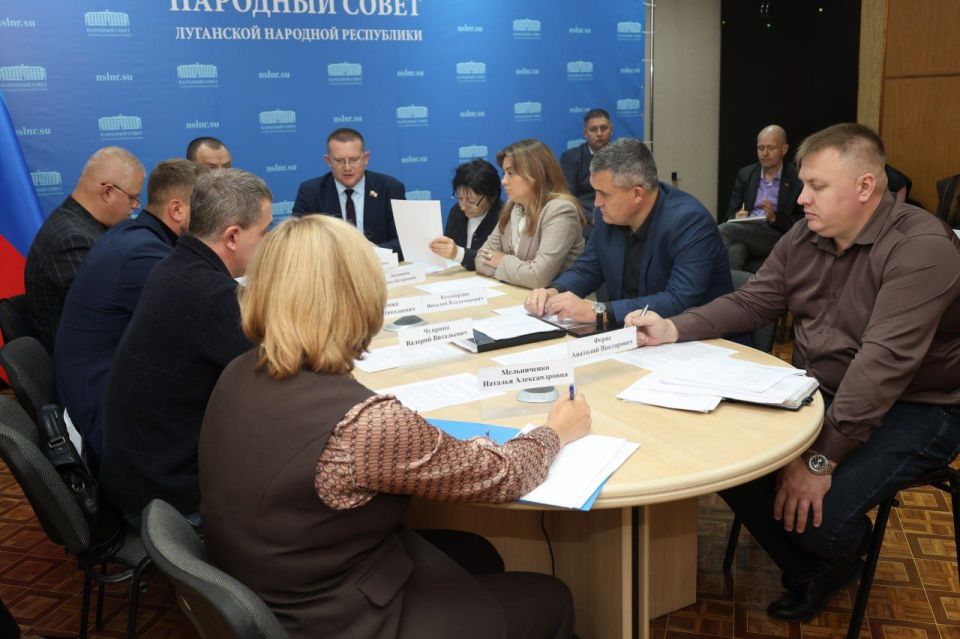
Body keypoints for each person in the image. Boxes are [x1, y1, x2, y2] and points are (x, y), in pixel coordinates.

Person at [624, 123, 960, 622]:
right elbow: (752, 301)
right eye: (803, 184)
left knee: (822, 520)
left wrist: (819, 461)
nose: (800, 199)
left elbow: (882, 366)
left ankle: (840, 549)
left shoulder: (922, 248)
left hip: (920, 404)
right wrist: (673, 327)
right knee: (726, 456)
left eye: (816, 186)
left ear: (865, 187)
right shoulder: (806, 235)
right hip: (826, 388)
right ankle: (811, 568)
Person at [200, 214, 588, 638]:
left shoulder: (238, 370)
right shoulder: (365, 424)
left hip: (278, 584)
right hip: (338, 618)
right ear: (358, 299)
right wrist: (556, 431)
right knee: (552, 597)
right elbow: (505, 475)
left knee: (477, 554)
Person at [100, 168, 273, 528]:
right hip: (169, 499)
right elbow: (278, 376)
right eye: (264, 232)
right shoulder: (211, 295)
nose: (268, 242)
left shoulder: (175, 266)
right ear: (232, 236)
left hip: (139, 475)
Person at [54, 159, 208, 467]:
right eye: (207, 210)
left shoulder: (135, 235)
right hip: (107, 423)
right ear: (177, 210)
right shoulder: (144, 255)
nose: (213, 220)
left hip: (98, 393)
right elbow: (201, 329)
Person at [524, 138, 732, 326]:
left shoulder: (690, 222)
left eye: (603, 194)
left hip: (698, 339)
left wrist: (598, 311)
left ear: (637, 194)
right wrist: (554, 291)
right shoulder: (608, 217)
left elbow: (678, 300)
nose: (596, 203)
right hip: (631, 334)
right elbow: (586, 270)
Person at [24, 146, 145, 351]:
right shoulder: (73, 241)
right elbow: (107, 315)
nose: (136, 206)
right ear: (107, 192)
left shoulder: (76, 224)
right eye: (133, 198)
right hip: (83, 361)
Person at [475, 139, 585, 289]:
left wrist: (501, 260)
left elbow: (537, 278)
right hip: (519, 295)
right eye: (504, 173)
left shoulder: (560, 210)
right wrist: (523, 272)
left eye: (510, 173)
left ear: (535, 173)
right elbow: (480, 260)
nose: (503, 181)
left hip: (558, 300)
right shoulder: (512, 207)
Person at [292, 127, 405, 253]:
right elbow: (298, 241)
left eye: (354, 160)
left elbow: (404, 240)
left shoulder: (390, 189)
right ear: (328, 160)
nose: (347, 167)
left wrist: (372, 252)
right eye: (339, 161)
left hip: (378, 262)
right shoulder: (311, 192)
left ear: (366, 158)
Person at [719, 125, 804, 271]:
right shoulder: (746, 175)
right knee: (735, 250)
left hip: (776, 235)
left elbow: (802, 223)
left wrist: (774, 218)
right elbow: (729, 214)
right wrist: (737, 217)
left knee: (724, 230)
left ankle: (704, 273)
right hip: (745, 231)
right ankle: (734, 286)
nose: (764, 153)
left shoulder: (797, 178)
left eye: (770, 148)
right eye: (760, 148)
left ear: (784, 149)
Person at [429, 159, 502, 271]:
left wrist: (458, 253)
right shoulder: (456, 211)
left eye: (471, 201)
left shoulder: (504, 217)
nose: (463, 207)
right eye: (459, 198)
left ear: (492, 196)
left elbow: (495, 259)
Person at [560, 108, 613, 216]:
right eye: (593, 129)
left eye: (604, 128)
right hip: (585, 216)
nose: (599, 134)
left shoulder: (623, 156)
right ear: (585, 133)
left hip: (617, 212)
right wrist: (590, 217)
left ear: (611, 129)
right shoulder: (571, 158)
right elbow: (569, 197)